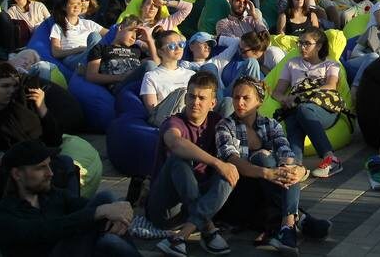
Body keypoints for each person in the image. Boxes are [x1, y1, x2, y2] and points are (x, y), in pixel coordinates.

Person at [215, 76, 332, 253]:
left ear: (259, 102)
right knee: (263, 159)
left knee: (286, 167)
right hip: (240, 191)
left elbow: (287, 154)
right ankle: (301, 219)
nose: (239, 102)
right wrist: (267, 173)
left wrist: (299, 170)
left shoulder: (270, 125)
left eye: (246, 98)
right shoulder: (226, 126)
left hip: (267, 192)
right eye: (236, 97)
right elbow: (234, 161)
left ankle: (288, 225)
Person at [0, 140, 140, 257]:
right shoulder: (1, 216)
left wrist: (117, 210)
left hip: (78, 250)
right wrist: (100, 212)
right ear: (17, 174)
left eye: (49, 165)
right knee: (107, 233)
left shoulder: (51, 195)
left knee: (107, 204)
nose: (50, 173)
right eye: (41, 167)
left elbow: (85, 206)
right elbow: (45, 230)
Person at [146, 71, 238, 256]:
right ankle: (209, 229)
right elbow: (175, 143)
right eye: (191, 96)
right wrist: (216, 163)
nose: (195, 102)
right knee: (178, 159)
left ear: (212, 103)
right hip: (169, 209)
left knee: (230, 172)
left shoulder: (217, 122)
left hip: (196, 203)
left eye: (202, 98)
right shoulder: (174, 122)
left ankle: (181, 236)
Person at [0, 61, 78, 195]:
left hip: (37, 161)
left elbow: (54, 140)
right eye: (5, 86)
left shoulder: (22, 109)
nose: (11, 91)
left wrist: (42, 108)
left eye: (14, 86)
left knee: (66, 163)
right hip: (11, 171)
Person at [271, 26, 346, 179]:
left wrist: (301, 97)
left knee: (302, 110)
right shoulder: (292, 64)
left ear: (318, 46)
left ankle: (331, 158)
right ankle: (295, 166)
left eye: (306, 43)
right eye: (299, 43)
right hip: (298, 107)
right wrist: (285, 99)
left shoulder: (330, 64)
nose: (301, 47)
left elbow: (330, 86)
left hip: (324, 108)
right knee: (292, 118)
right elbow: (277, 92)